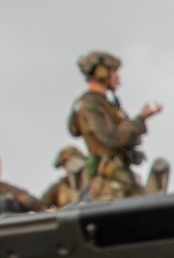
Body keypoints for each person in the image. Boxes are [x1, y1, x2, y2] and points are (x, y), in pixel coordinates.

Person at [69, 52, 163, 201]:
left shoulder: (107, 104)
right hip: (107, 184)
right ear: (101, 73)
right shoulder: (90, 106)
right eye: (114, 72)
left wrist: (139, 122)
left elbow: (126, 136)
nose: (117, 77)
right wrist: (139, 120)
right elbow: (111, 137)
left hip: (121, 177)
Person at [41, 145, 87, 209]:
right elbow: (42, 205)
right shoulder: (60, 187)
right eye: (64, 164)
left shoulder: (93, 180)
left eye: (67, 162)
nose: (66, 167)